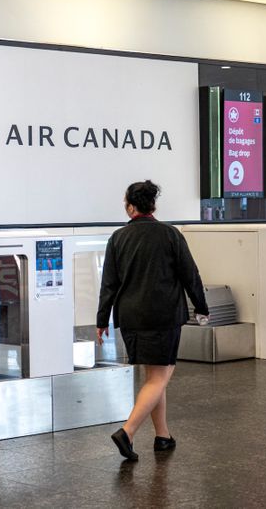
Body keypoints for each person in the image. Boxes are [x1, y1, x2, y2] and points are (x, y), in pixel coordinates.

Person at [96, 180, 209, 461]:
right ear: (153, 205)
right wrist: (201, 306)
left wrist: (102, 320)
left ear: (130, 206)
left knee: (153, 377)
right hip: (163, 315)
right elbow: (189, 274)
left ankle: (163, 436)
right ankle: (127, 432)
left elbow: (108, 284)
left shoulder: (118, 238)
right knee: (160, 377)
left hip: (131, 317)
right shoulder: (169, 234)